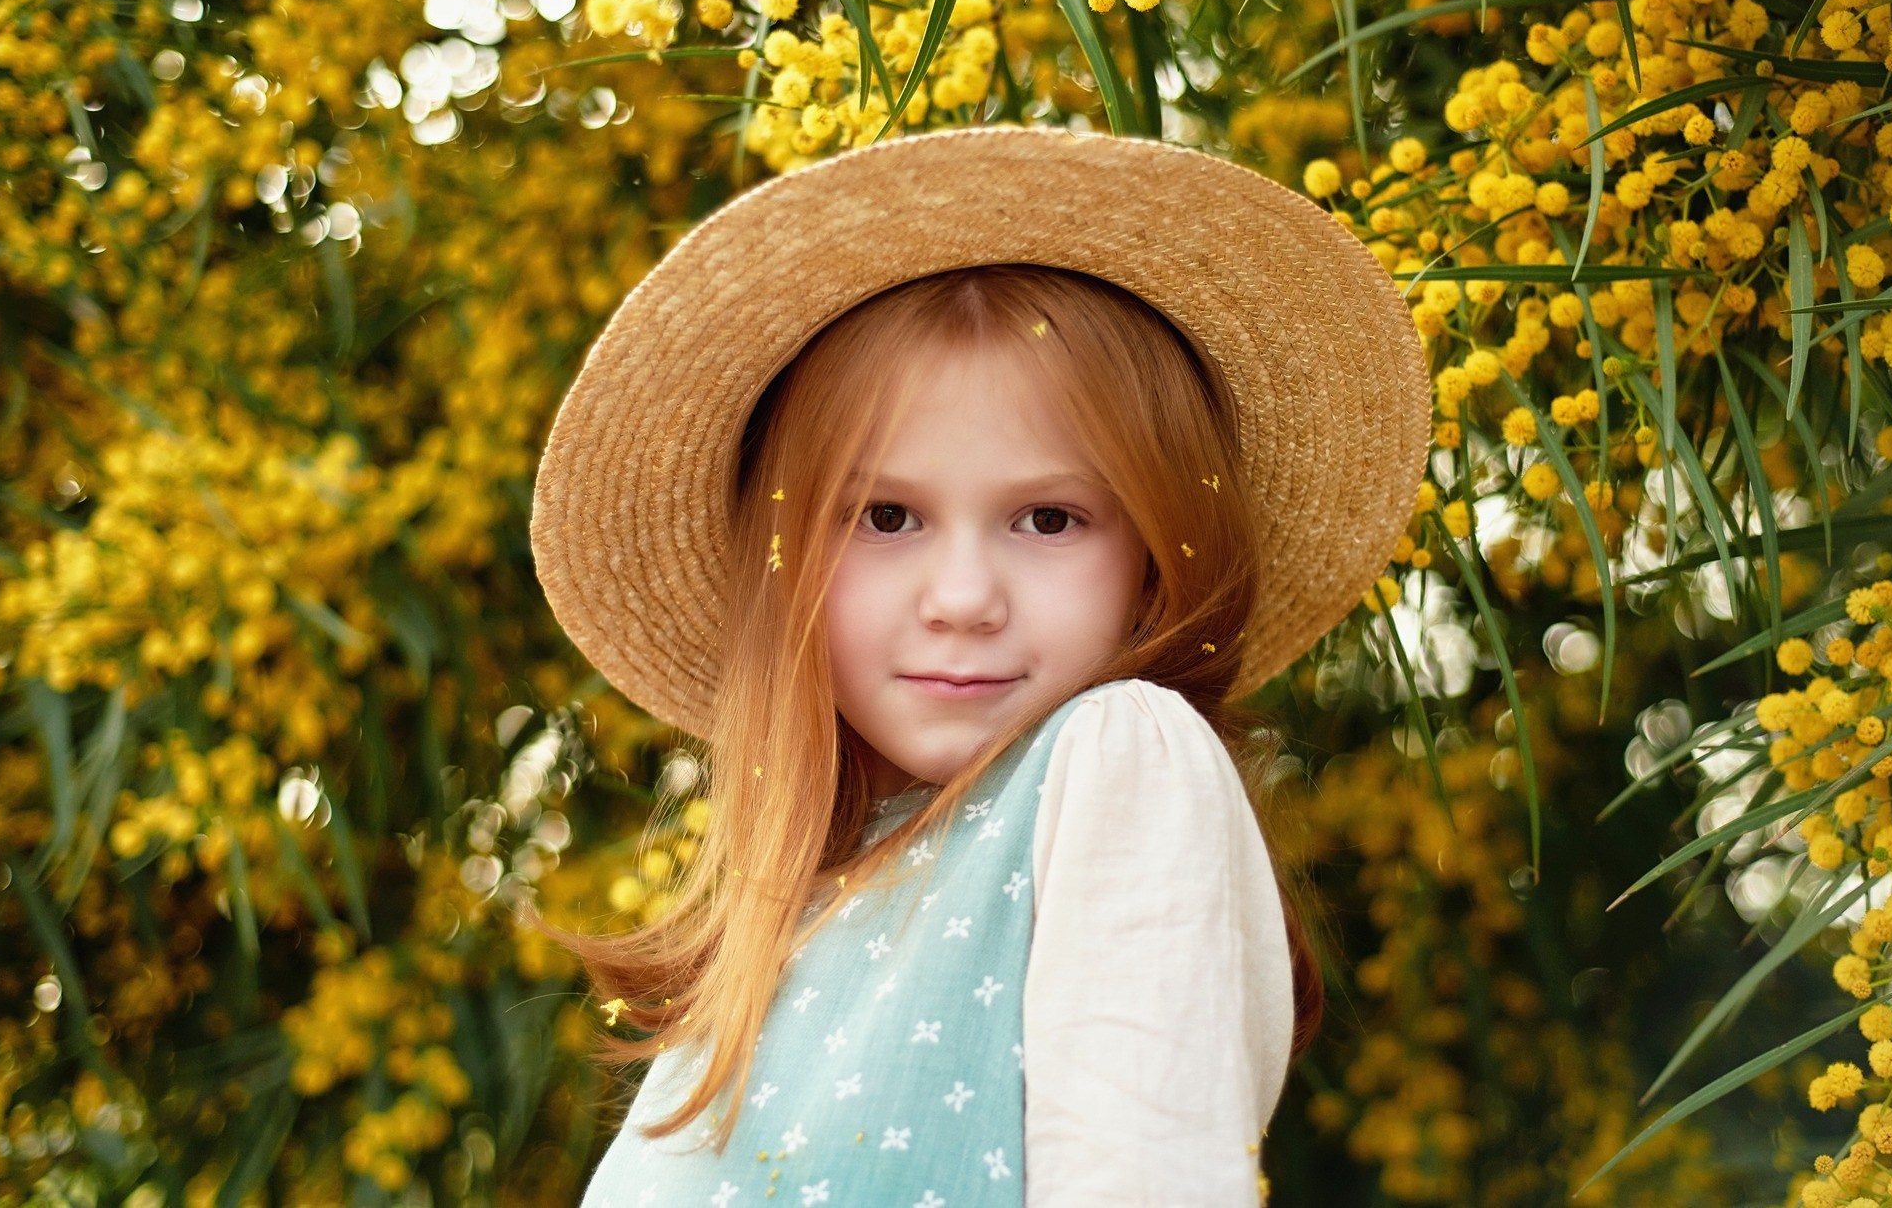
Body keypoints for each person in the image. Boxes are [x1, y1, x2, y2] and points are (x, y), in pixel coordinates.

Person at [525, 125, 1429, 1206]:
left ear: (1155, 557)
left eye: (1048, 518)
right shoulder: (789, 906)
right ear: (781, 558)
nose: (962, 598)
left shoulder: (1119, 760)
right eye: (886, 515)